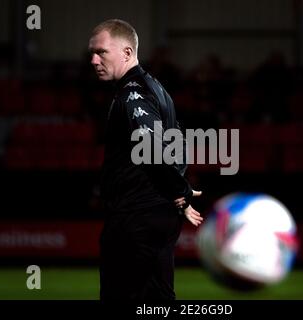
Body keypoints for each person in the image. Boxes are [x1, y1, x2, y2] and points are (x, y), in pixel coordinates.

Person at [88, 19, 203, 301]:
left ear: (127, 53)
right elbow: (177, 145)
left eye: (101, 52)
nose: (93, 60)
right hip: (157, 218)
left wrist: (180, 190)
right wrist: (178, 194)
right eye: (92, 52)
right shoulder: (158, 89)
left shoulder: (133, 93)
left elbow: (152, 147)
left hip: (134, 221)